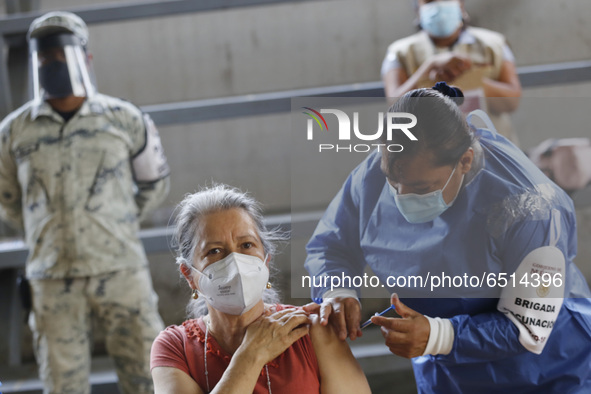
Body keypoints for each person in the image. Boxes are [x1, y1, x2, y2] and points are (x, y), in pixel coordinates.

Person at [303, 83, 591, 392]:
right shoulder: (382, 170)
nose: (401, 197)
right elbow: (331, 245)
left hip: (545, 368)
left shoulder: (531, 208)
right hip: (445, 369)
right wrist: (337, 290)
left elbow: (527, 326)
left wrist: (439, 336)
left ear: (465, 161)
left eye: (421, 188)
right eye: (392, 182)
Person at [0, 11, 170, 394]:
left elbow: (153, 183)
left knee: (149, 379)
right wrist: (47, 232)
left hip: (122, 272)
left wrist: (116, 223)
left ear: (85, 59)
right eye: (43, 57)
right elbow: (8, 199)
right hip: (52, 279)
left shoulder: (124, 119)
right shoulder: (13, 132)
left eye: (60, 54)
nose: (51, 64)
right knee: (62, 387)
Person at [151, 185, 371, 393]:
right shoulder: (174, 348)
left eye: (246, 245)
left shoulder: (312, 331)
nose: (235, 262)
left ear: (265, 261)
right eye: (215, 251)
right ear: (189, 275)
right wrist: (251, 354)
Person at [381, 0, 522, 143]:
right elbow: (396, 106)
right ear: (417, 9)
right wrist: (429, 67)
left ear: (461, 5)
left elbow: (512, 101)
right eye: (430, 1)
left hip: (491, 150)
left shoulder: (495, 44)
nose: (439, 4)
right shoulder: (400, 52)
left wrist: (471, 79)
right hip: (432, 154)